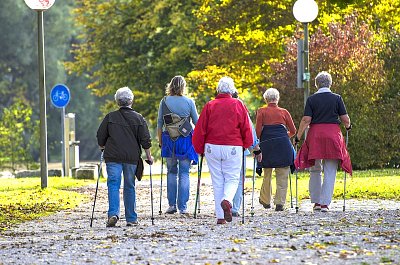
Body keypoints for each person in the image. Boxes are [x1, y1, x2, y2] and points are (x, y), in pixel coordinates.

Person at [192, 76, 255, 224]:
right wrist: (247, 144)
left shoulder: (210, 105)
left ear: (218, 90)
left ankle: (220, 217)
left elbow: (200, 129)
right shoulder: (238, 104)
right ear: (232, 90)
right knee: (232, 178)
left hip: (212, 146)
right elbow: (246, 127)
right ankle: (227, 199)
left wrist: (199, 148)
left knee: (217, 180)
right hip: (233, 146)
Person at [294, 71, 352, 212]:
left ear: (316, 84)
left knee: (315, 168)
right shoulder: (337, 98)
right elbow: (345, 119)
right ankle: (325, 203)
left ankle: (316, 202)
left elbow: (306, 120)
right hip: (333, 135)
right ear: (330, 83)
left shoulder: (312, 99)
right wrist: (348, 126)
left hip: (315, 135)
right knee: (330, 169)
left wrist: (298, 136)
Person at [97, 86, 153, 227]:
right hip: (131, 157)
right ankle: (131, 218)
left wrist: (102, 146)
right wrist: (149, 156)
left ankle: (113, 214)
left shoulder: (110, 117)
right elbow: (145, 139)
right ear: (131, 101)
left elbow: (100, 135)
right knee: (129, 186)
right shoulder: (139, 118)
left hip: (113, 157)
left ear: (117, 102)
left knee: (113, 184)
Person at [157, 75, 199, 215]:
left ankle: (171, 205)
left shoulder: (164, 102)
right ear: (183, 86)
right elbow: (197, 122)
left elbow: (159, 124)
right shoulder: (189, 102)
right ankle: (183, 207)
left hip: (169, 139)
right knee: (184, 173)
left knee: (171, 171)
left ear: (170, 86)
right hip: (185, 140)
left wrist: (160, 141)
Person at [256, 88, 297, 211]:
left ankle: (265, 200)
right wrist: (284, 137)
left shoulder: (261, 111)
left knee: (267, 174)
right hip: (283, 145)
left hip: (267, 145)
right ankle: (280, 203)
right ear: (277, 99)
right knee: (283, 174)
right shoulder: (284, 112)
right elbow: (293, 131)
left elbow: (258, 132)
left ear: (266, 99)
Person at [231, 92, 261, 217]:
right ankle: (235, 208)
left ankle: (223, 205)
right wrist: (256, 148)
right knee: (238, 179)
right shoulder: (241, 108)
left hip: (219, 147)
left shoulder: (215, 106)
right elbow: (249, 129)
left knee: (223, 178)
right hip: (239, 148)